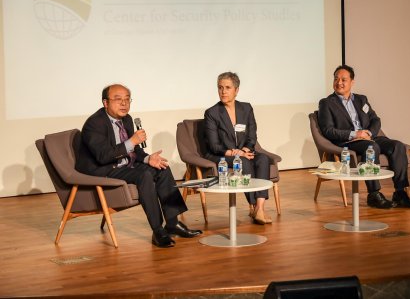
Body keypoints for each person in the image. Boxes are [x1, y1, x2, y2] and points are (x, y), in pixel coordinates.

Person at [75, 84, 201, 248]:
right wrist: (132, 141)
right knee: (144, 175)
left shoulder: (126, 119)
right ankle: (158, 231)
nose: (124, 104)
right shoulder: (94, 124)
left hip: (124, 166)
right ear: (105, 103)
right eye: (118, 99)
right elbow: (103, 156)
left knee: (161, 167)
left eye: (127, 99)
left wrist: (148, 159)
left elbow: (132, 150)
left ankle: (172, 223)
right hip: (103, 169)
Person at [318, 65, 410, 209]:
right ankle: (374, 194)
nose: (339, 82)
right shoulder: (326, 103)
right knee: (371, 147)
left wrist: (369, 133)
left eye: (343, 79)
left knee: (398, 146)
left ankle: (400, 193)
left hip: (368, 137)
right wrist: (355, 134)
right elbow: (328, 130)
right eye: (336, 79)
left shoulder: (361, 99)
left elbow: (375, 120)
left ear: (352, 82)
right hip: (348, 141)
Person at [203, 72, 272, 225]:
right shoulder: (212, 113)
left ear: (236, 90)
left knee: (263, 159)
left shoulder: (246, 108)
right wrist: (237, 153)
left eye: (227, 87)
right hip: (221, 154)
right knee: (242, 162)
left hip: (243, 152)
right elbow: (214, 145)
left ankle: (260, 207)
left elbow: (252, 135)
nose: (223, 91)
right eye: (220, 88)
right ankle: (254, 206)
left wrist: (247, 148)